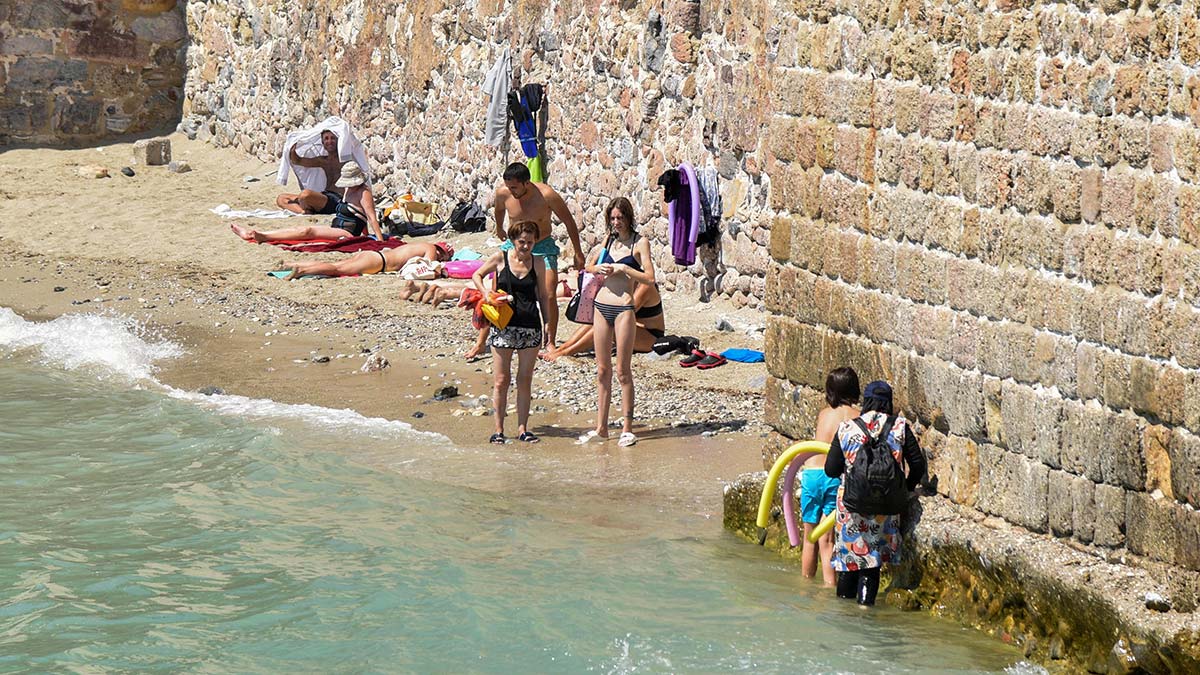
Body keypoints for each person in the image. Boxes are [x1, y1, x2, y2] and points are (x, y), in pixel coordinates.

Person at [823, 380, 927, 606]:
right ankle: (864, 614)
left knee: (848, 565)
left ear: (866, 401)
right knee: (872, 563)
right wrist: (905, 489)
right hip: (886, 508)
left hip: (851, 508)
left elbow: (830, 469)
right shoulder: (899, 426)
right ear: (888, 402)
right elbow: (918, 465)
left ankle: (843, 615)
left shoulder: (847, 427)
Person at [576, 197, 656, 448]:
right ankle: (601, 427)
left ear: (629, 217)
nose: (616, 222)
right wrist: (597, 269)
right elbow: (588, 266)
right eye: (612, 218)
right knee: (602, 370)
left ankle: (627, 428)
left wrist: (624, 270)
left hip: (624, 308)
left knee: (622, 370)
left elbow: (650, 278)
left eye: (620, 218)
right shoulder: (608, 240)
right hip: (601, 306)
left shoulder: (639, 243)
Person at [472, 221, 551, 444]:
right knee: (501, 380)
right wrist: (485, 293)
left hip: (530, 326)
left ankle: (523, 429)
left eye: (530, 242)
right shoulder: (500, 258)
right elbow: (477, 275)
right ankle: (498, 430)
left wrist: (548, 325)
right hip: (503, 326)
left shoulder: (538, 262)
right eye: (522, 242)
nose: (526, 246)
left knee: (525, 379)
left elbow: (543, 295)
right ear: (513, 241)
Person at [493, 162, 584, 348]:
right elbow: (499, 209)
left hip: (542, 246)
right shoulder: (504, 193)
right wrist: (499, 228)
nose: (511, 191)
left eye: (515, 187)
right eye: (508, 186)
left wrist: (578, 252)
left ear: (527, 183)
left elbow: (568, 221)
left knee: (549, 294)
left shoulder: (546, 195)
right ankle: (498, 333)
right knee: (502, 290)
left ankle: (549, 341)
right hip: (515, 245)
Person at [802, 367, 860, 586]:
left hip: (810, 473)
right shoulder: (857, 416)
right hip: (831, 476)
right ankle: (828, 590)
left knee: (810, 538)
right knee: (826, 539)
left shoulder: (824, 414)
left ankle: (806, 584)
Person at [232, 161, 384, 243]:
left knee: (307, 232)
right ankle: (258, 234)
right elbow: (362, 218)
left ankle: (261, 236)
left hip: (348, 233)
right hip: (337, 227)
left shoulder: (364, 193)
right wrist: (366, 235)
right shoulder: (348, 190)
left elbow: (370, 217)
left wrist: (379, 241)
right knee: (302, 229)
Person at [541, 279, 665, 361]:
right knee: (598, 319)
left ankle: (567, 352)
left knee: (608, 324)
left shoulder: (645, 286)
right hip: (633, 330)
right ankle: (562, 349)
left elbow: (625, 312)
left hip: (651, 337)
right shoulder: (626, 282)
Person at [282, 241, 452, 280]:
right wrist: (441, 267)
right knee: (337, 270)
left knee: (338, 265)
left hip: (374, 255)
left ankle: (293, 264)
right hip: (378, 262)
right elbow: (427, 267)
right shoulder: (430, 249)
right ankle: (302, 271)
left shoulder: (419, 244)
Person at [275, 129, 347, 214]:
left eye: (333, 138)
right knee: (281, 198)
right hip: (325, 196)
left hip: (336, 200)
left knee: (305, 195)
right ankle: (304, 211)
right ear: (323, 144)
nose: (329, 141)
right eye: (326, 139)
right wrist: (292, 147)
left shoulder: (345, 160)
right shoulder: (323, 161)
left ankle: (307, 208)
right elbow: (297, 161)